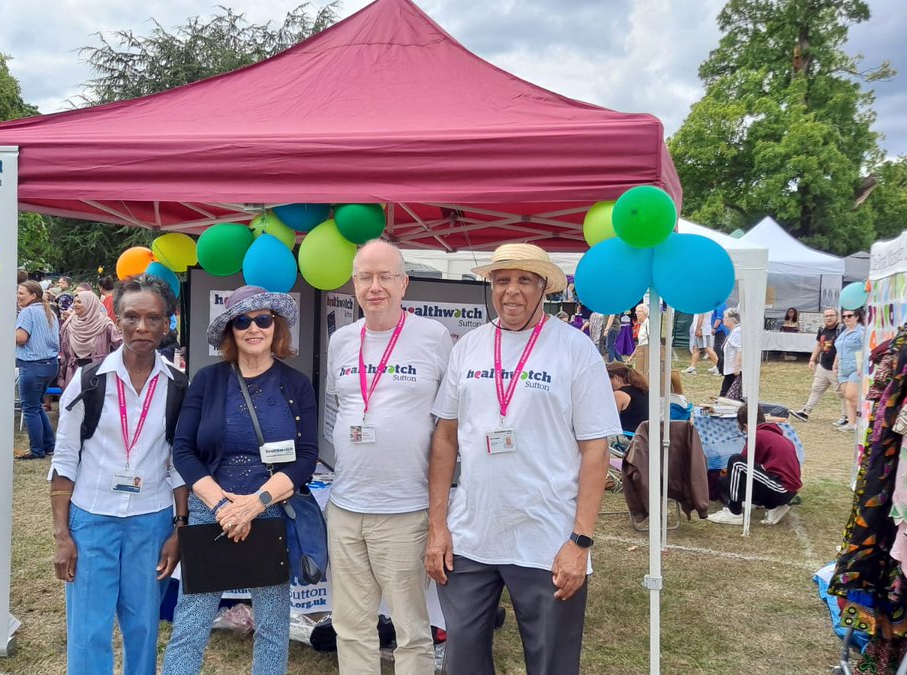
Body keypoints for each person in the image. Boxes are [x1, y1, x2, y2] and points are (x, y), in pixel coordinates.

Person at [425, 243, 621, 675]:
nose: (511, 291)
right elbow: (445, 437)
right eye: (502, 280)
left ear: (545, 288)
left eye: (524, 280)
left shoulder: (575, 349)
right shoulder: (470, 347)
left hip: (547, 539)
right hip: (471, 536)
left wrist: (580, 542)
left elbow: (595, 450)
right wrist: (437, 527)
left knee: (551, 662)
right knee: (462, 662)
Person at [164, 285, 318, 675]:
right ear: (231, 330)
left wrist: (255, 504)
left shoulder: (296, 385)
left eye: (263, 319)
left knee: (272, 625)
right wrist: (221, 505)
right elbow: (183, 449)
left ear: (275, 326)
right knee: (191, 622)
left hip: (269, 510)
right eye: (243, 320)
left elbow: (306, 458)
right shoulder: (207, 380)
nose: (254, 328)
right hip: (209, 511)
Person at [48, 275, 188, 675]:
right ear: (117, 317)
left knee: (143, 625)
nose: (142, 328)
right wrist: (62, 535)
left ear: (167, 324)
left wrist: (178, 529)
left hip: (152, 520)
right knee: (89, 629)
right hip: (92, 518)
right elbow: (64, 458)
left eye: (153, 318)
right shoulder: (88, 381)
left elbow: (179, 462)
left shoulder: (178, 386)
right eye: (131, 317)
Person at [325, 241, 453, 675]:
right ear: (354, 284)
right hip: (345, 507)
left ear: (404, 283)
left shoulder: (434, 337)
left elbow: (448, 427)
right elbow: (341, 409)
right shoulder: (341, 340)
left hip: (404, 510)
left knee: (411, 630)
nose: (374, 287)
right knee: (350, 625)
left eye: (384, 277)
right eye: (364, 277)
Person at [707, 403, 802, 525]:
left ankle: (734, 512)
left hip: (781, 488)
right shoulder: (780, 437)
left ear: (746, 425)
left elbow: (740, 465)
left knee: (735, 462)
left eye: (742, 429)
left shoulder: (757, 436)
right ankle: (774, 506)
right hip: (788, 489)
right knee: (733, 472)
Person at [16, 280, 61, 459]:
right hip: (50, 365)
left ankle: (36, 450)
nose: (18, 296)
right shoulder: (49, 311)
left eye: (21, 293)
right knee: (37, 406)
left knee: (30, 408)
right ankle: (49, 445)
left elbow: (21, 338)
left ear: (33, 295)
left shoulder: (27, 312)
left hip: (33, 366)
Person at [791, 309, 845, 425]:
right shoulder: (822, 329)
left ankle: (846, 417)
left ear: (837, 317)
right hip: (823, 366)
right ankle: (805, 412)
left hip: (837, 368)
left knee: (842, 393)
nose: (829, 318)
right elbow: (819, 345)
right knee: (816, 389)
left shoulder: (842, 330)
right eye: (826, 316)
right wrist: (812, 359)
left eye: (831, 315)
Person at [59, 290, 121, 389]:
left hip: (98, 372)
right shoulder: (70, 324)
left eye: (79, 302)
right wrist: (62, 377)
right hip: (74, 372)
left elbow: (119, 345)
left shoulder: (105, 324)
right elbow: (65, 353)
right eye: (74, 302)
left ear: (90, 304)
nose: (75, 305)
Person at [834, 308, 865, 432]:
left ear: (857, 317)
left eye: (849, 316)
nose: (846, 318)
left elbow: (866, 349)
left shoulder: (862, 332)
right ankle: (851, 423)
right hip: (843, 368)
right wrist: (835, 364)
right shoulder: (843, 332)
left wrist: (861, 366)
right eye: (844, 316)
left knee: (852, 395)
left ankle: (861, 421)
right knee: (847, 396)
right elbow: (839, 349)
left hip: (855, 368)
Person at [607, 362, 651, 434]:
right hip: (647, 436)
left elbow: (610, 421)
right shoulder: (644, 390)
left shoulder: (619, 394)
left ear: (616, 378)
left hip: (630, 437)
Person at [719, 308, 742, 398]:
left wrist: (737, 367)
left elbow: (740, 349)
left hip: (734, 370)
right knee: (725, 392)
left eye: (725, 317)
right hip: (730, 369)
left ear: (732, 320)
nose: (723, 319)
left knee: (725, 394)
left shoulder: (737, 331)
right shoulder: (734, 331)